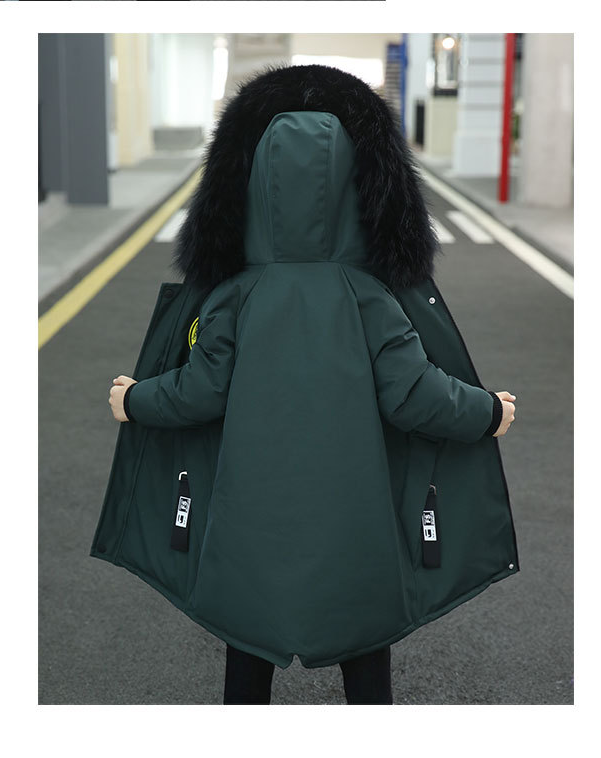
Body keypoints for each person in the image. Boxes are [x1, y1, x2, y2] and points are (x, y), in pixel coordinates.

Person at [98, 66, 519, 705]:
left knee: (246, 647)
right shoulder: (371, 297)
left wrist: (133, 399)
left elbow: (198, 391)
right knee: (365, 648)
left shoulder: (234, 295)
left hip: (249, 526)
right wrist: (487, 411)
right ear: (360, 189)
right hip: (356, 526)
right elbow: (415, 394)